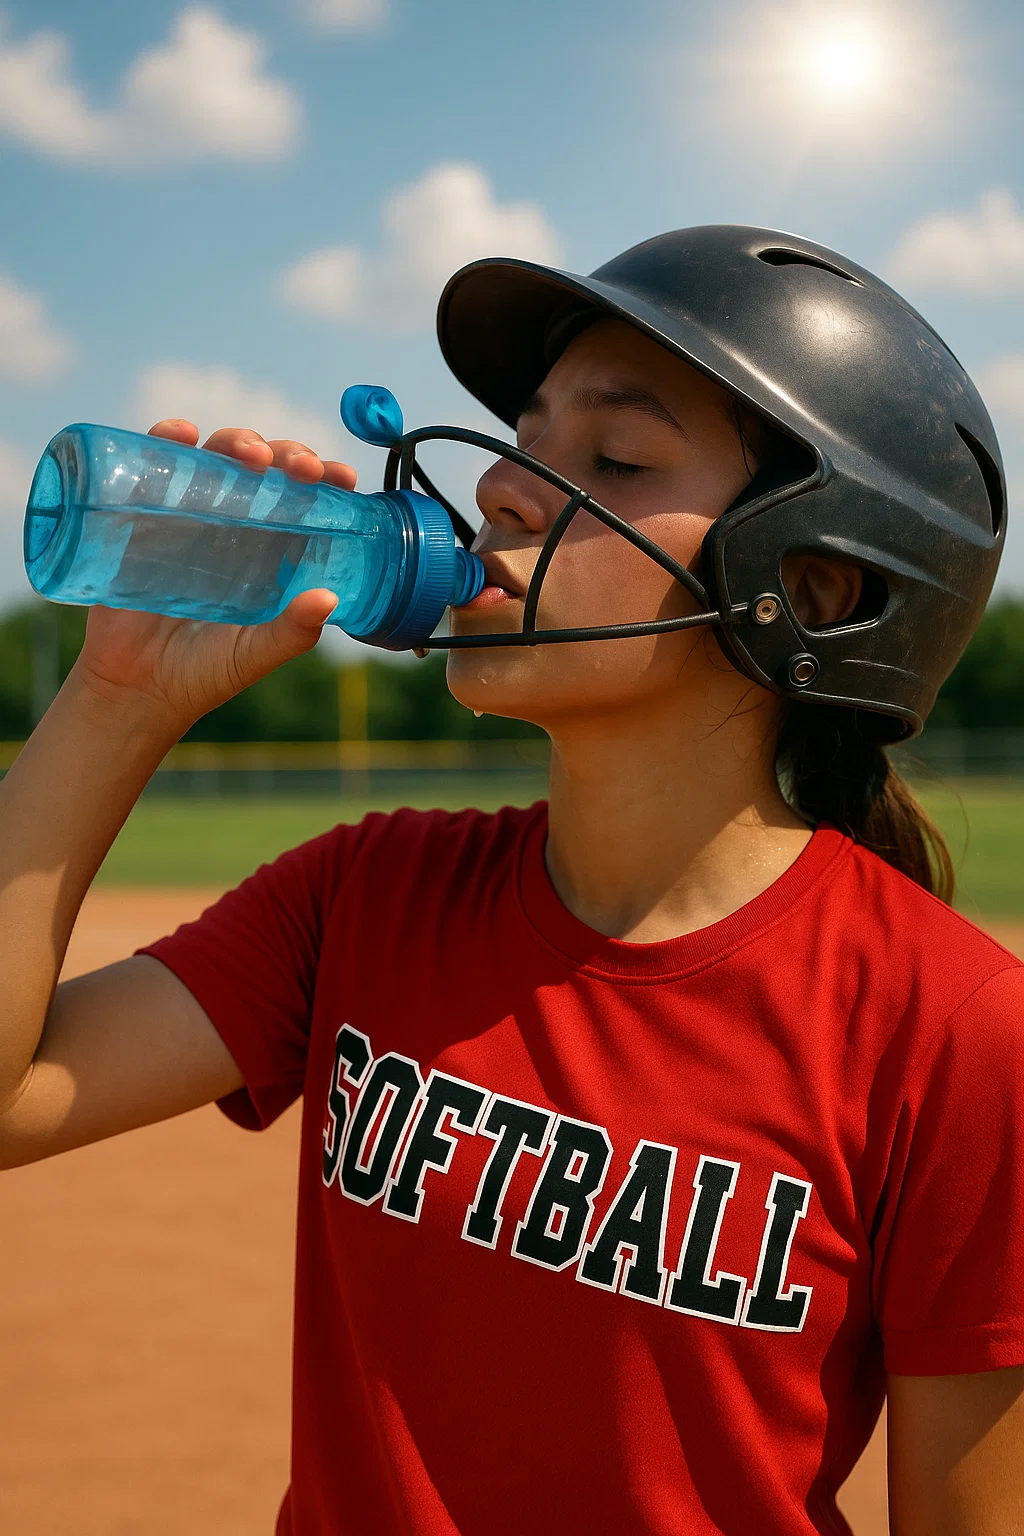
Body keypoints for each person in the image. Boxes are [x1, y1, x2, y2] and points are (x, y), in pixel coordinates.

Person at [1, 224, 1022, 1536]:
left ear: (808, 590)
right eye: (526, 440)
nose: (506, 492)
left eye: (614, 457)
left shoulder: (951, 1030)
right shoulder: (365, 893)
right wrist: (115, 699)